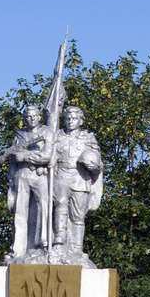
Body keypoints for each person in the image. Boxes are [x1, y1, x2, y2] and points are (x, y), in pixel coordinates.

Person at [0, 105, 53, 260]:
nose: (32, 119)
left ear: (39, 117)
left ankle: (44, 243)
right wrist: (11, 179)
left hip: (39, 175)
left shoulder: (46, 133)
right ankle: (17, 249)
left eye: (35, 116)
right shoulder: (20, 134)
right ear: (24, 119)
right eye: (28, 116)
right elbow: (12, 158)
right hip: (21, 175)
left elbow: (47, 156)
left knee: (44, 207)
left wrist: (25, 156)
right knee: (19, 213)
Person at [53, 106, 102, 256]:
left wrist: (93, 166)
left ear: (80, 120)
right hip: (61, 176)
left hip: (80, 179)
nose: (70, 121)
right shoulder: (57, 136)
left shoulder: (88, 139)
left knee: (78, 216)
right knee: (60, 202)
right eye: (68, 118)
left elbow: (98, 165)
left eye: (74, 118)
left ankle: (77, 248)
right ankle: (59, 237)